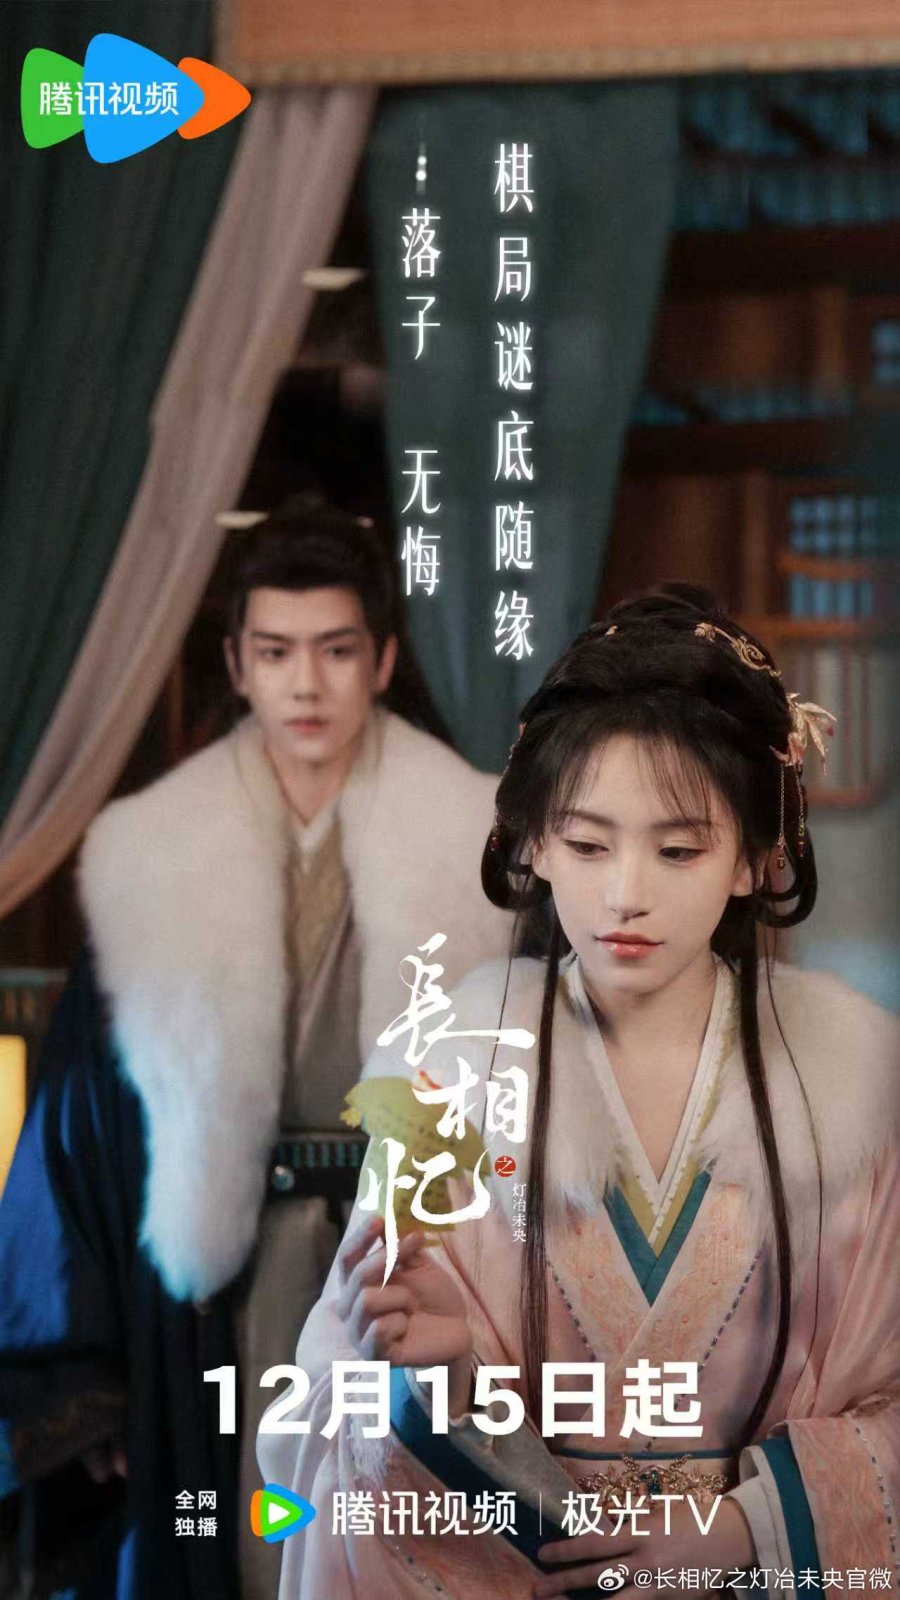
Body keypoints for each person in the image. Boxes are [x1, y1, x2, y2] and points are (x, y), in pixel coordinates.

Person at [260, 584, 899, 1599]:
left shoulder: (856, 1095)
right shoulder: (451, 1076)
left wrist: (746, 1526)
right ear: (535, 844)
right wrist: (443, 1375)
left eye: (679, 848)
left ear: (754, 858)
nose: (625, 893)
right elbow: (321, 1423)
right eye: (589, 844)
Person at [0, 496, 511, 1600]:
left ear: (382, 659)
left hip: (398, 1258)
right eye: (276, 652)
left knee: (388, 1542)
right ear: (236, 663)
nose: (305, 684)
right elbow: (78, 1119)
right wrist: (86, 1376)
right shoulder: (151, 855)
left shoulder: (472, 845)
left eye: (336, 649)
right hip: (214, 1286)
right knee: (232, 1538)